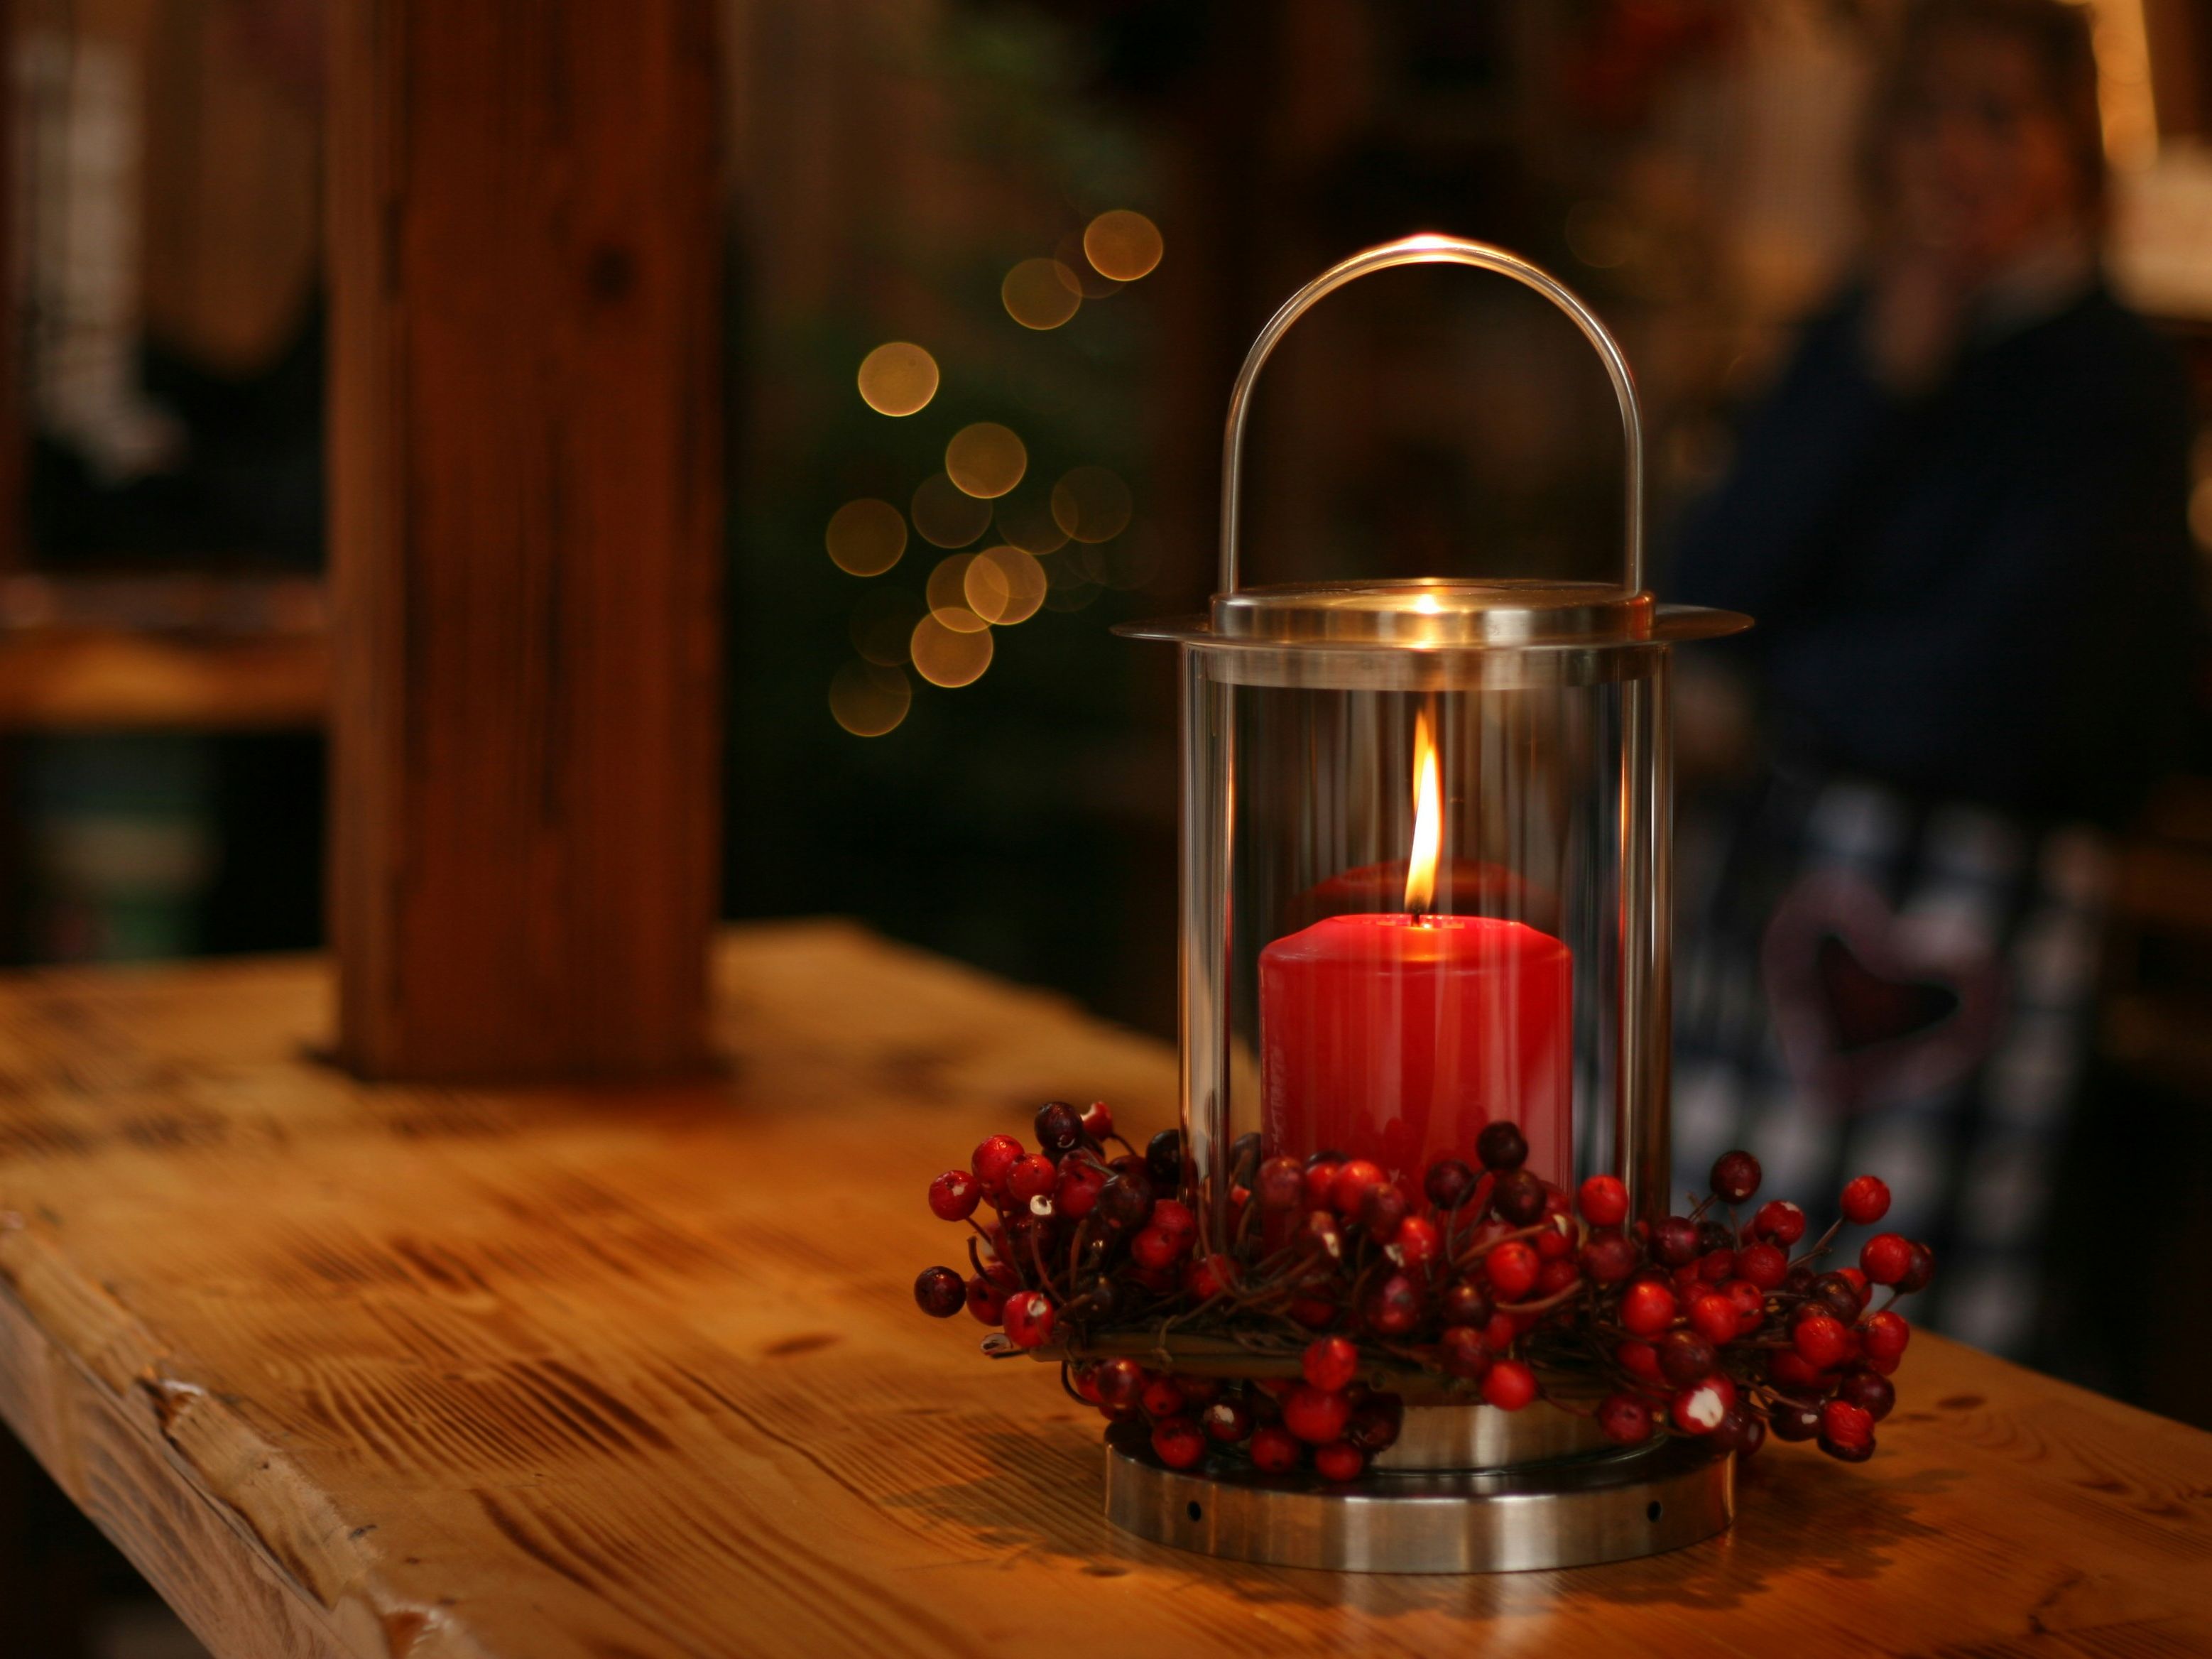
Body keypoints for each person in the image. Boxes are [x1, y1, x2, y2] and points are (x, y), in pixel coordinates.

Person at [1668, 0, 2201, 1358]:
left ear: (2070, 149)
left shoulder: (2113, 381)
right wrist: (1874, 378)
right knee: (1728, 1283)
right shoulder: (1857, 332)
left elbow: (2020, 681)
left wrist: (1774, 695)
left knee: (1921, 1322)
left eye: (1998, 116)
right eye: (1925, 114)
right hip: (1786, 896)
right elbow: (1702, 593)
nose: (1955, 153)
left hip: (1984, 916)